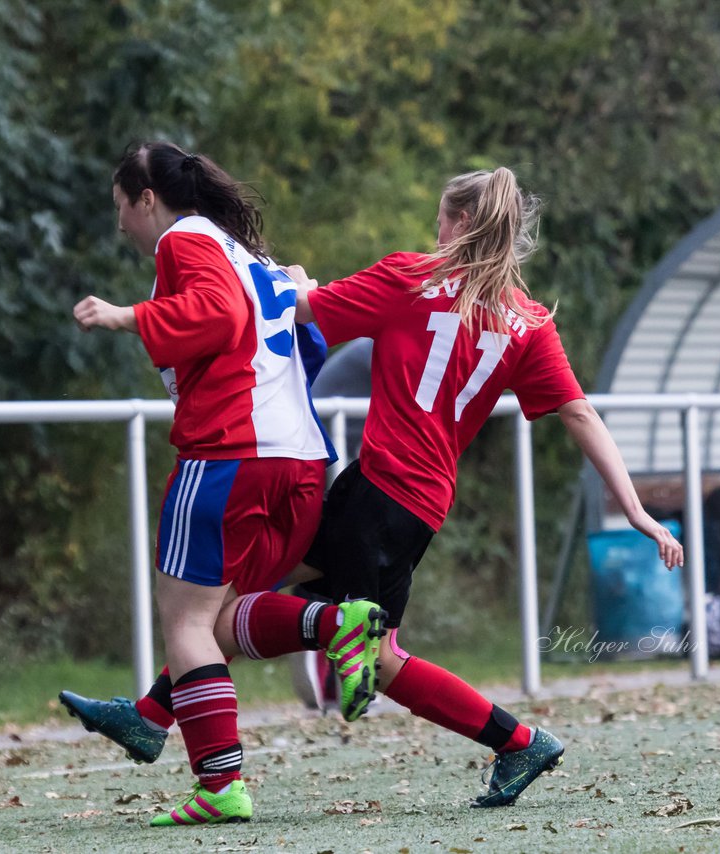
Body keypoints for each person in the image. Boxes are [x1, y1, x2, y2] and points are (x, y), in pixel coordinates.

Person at [71, 166, 684, 811]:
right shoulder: (530, 322)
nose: (436, 229)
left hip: (375, 490)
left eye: (444, 218)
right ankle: (516, 742)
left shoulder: (412, 278)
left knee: (243, 617)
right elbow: (580, 413)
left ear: (464, 223)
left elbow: (300, 309)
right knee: (325, 634)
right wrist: (637, 508)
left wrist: (300, 283)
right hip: (422, 509)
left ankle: (175, 719)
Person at [68, 141, 383, 827]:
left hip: (230, 454)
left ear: (146, 199)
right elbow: (311, 347)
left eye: (119, 204)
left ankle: (219, 784)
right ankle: (332, 625)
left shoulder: (184, 241)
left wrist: (128, 317)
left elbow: (217, 317)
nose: (119, 221)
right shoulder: (257, 261)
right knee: (220, 619)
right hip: (300, 460)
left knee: (184, 621)